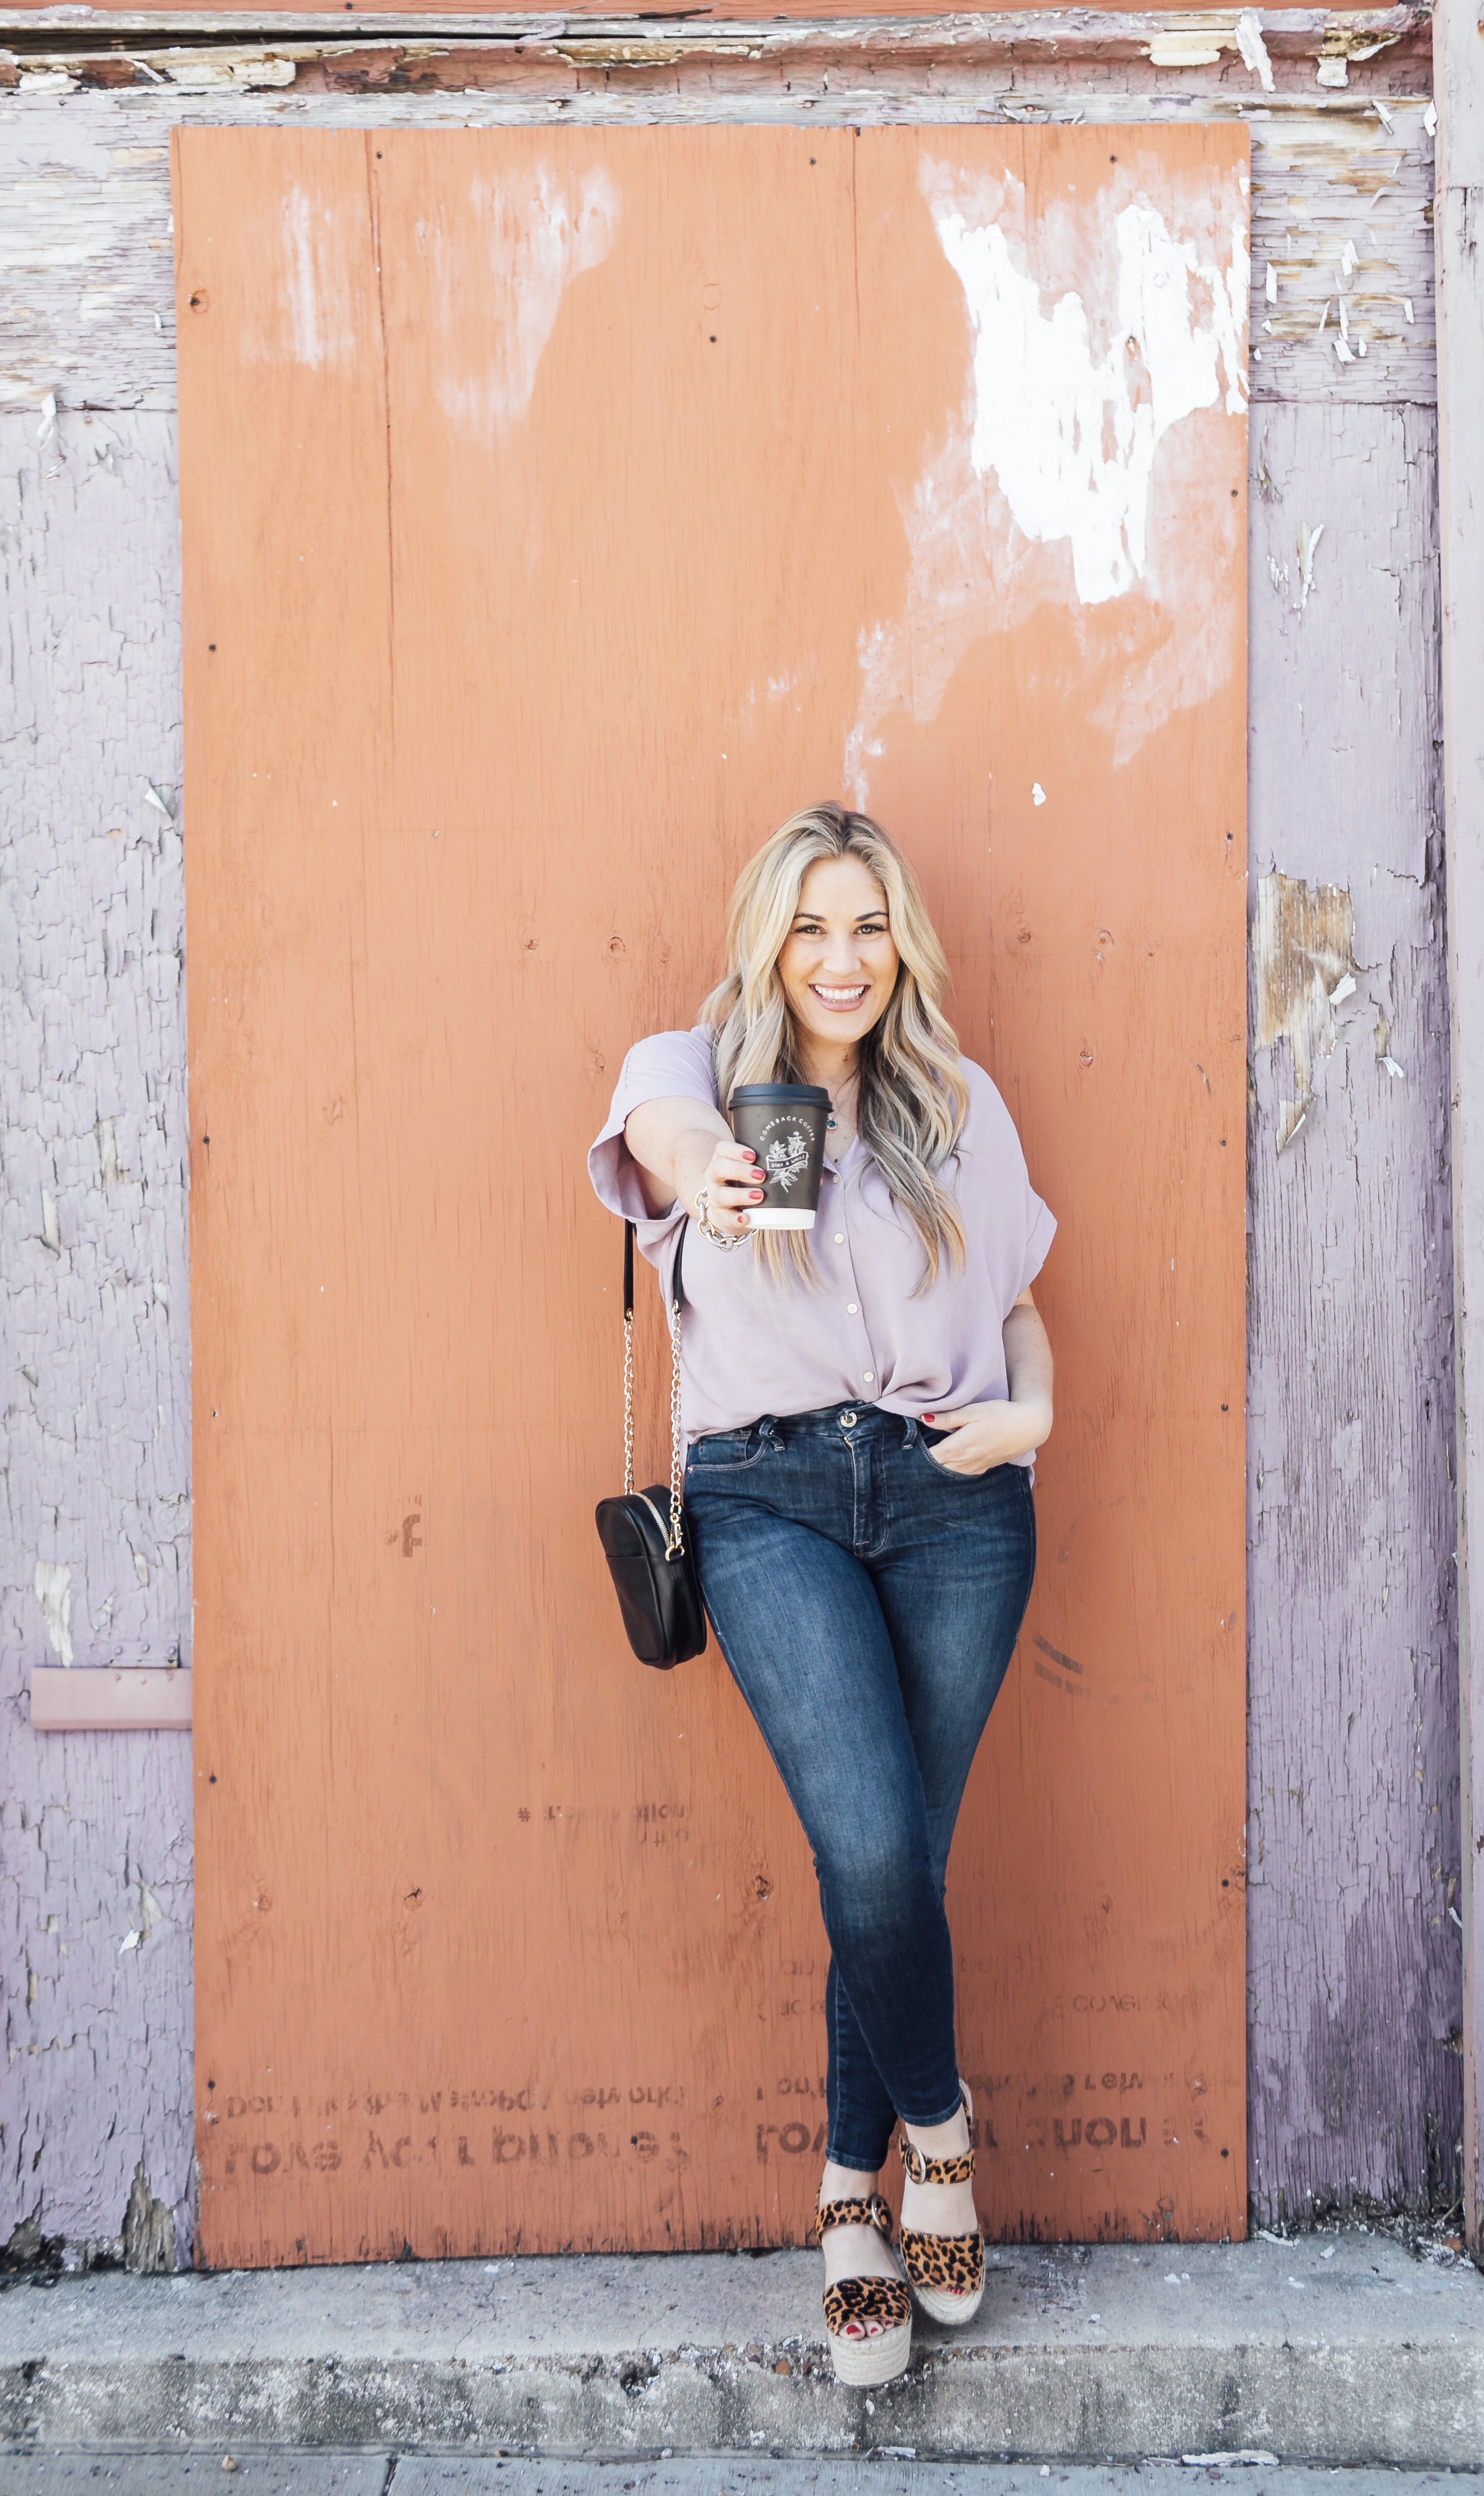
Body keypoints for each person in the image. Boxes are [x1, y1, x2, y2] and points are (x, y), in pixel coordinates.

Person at [588, 802, 1055, 2386]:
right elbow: (661, 1142)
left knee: (904, 1862)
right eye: (811, 927)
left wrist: (1034, 1416)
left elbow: (1024, 1298)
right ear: (767, 940)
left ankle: (848, 2210)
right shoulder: (700, 1079)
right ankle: (939, 2136)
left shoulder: (957, 1104)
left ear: (898, 943)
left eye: (867, 927)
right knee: (866, 1840)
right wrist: (714, 1173)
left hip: (956, 1499)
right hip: (769, 1495)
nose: (841, 960)